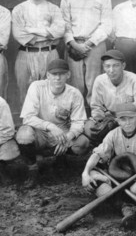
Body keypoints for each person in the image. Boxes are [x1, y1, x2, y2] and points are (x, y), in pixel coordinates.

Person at [82, 102, 136, 229]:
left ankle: (120, 203)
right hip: (114, 179)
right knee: (92, 176)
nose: (127, 122)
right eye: (123, 119)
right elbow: (97, 154)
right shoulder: (113, 134)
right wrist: (84, 173)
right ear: (117, 120)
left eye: (131, 118)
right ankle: (128, 207)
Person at [16, 59, 90, 188]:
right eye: (54, 74)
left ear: (68, 75)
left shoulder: (74, 93)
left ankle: (60, 159)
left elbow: (78, 122)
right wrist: (49, 126)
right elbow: (27, 117)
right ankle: (32, 168)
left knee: (83, 143)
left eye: (62, 74)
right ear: (48, 75)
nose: (58, 77)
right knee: (23, 135)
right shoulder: (37, 87)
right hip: (40, 130)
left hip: (62, 132)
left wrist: (68, 138)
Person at [60, 0, 112, 102]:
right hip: (74, 43)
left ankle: (94, 116)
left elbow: (107, 24)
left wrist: (89, 43)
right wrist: (74, 44)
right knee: (74, 82)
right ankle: (76, 115)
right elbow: (65, 23)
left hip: (95, 44)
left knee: (94, 82)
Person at [12, 0, 66, 106]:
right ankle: (28, 123)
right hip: (26, 52)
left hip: (50, 52)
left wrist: (31, 30)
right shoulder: (19, 9)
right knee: (25, 90)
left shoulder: (53, 8)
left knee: (51, 91)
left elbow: (59, 30)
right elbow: (19, 34)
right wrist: (47, 33)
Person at [84, 50, 136, 145]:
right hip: (109, 117)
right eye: (107, 66)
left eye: (116, 65)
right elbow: (96, 107)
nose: (111, 70)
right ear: (103, 67)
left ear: (123, 66)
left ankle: (130, 145)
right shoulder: (99, 80)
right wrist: (101, 121)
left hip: (130, 118)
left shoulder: (135, 79)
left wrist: (128, 120)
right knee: (89, 128)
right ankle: (106, 146)